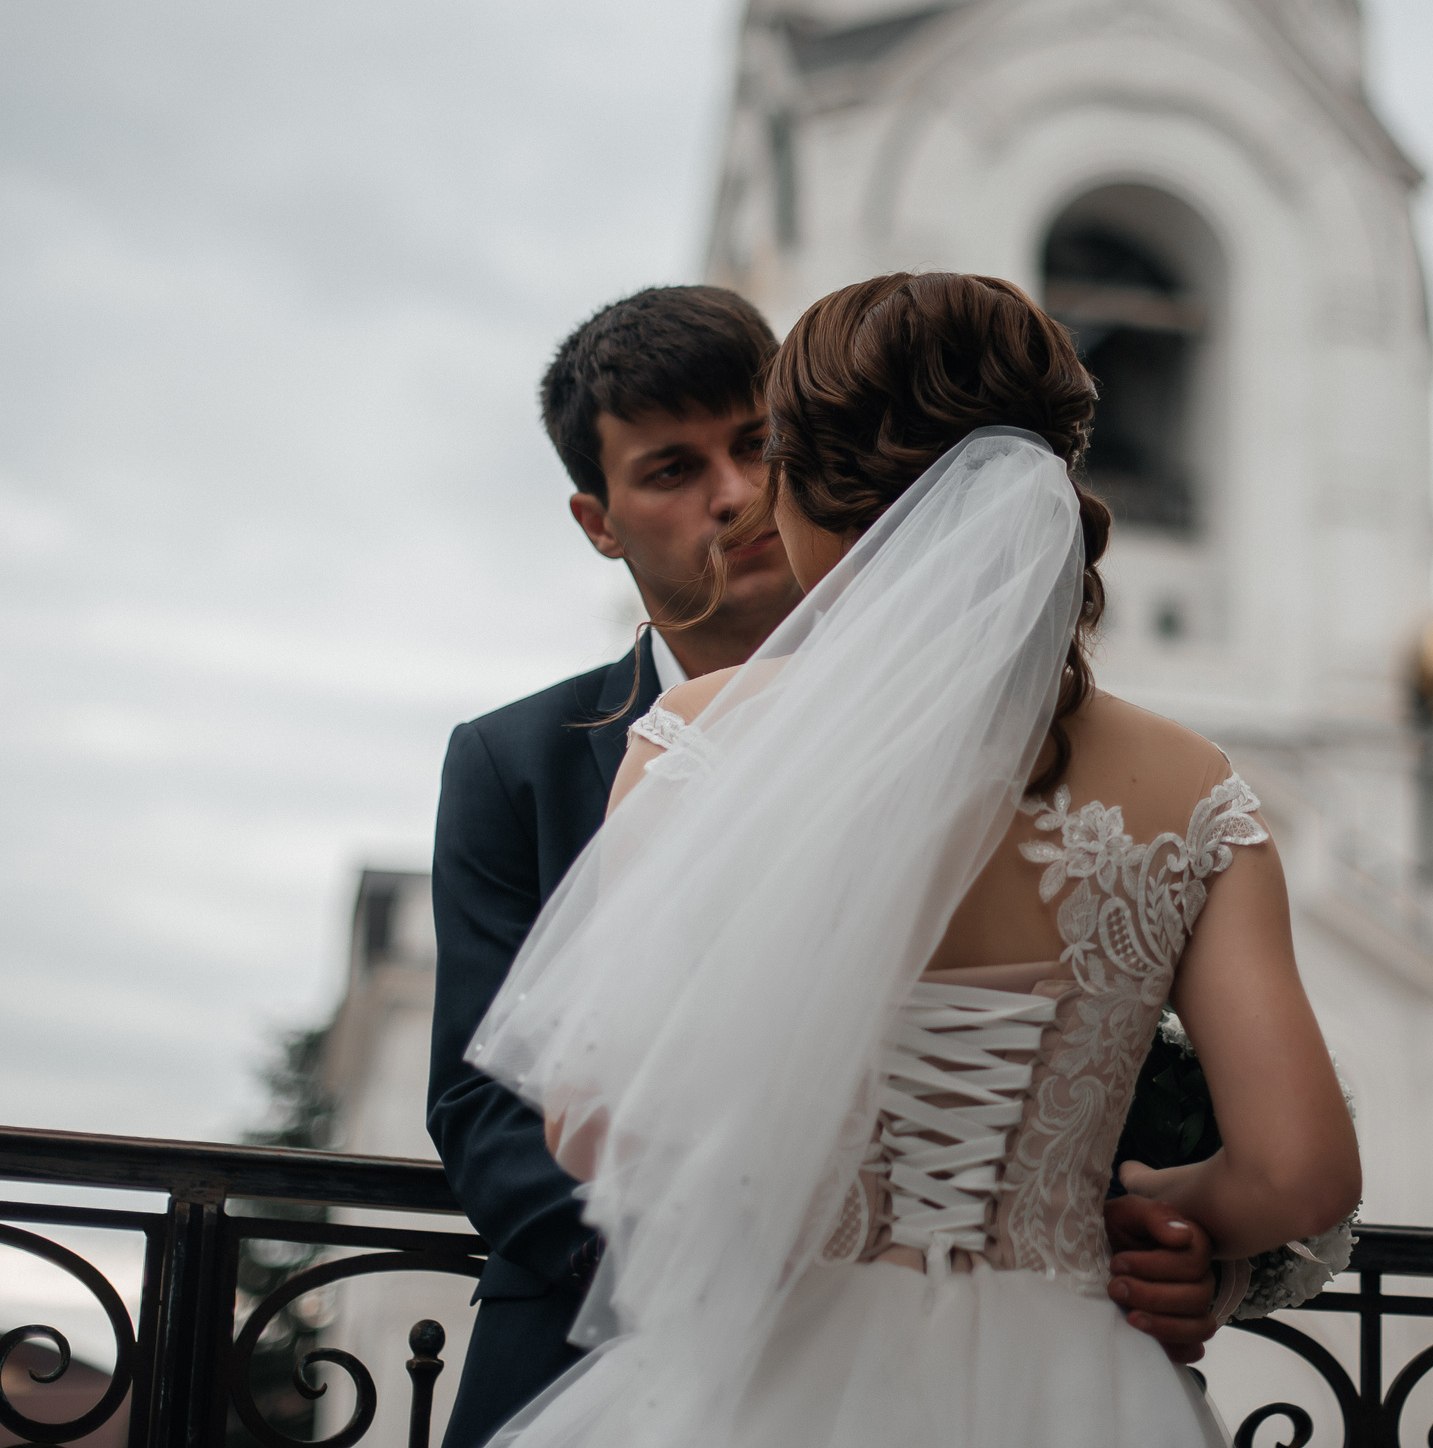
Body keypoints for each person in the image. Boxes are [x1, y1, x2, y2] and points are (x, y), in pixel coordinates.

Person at [467, 273, 1360, 1448]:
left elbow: (592, 1124)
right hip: (1073, 1379)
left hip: (772, 1365)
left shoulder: (699, 738)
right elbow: (1300, 1173)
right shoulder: (1196, 787)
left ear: (801, 489)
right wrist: (1157, 1207)